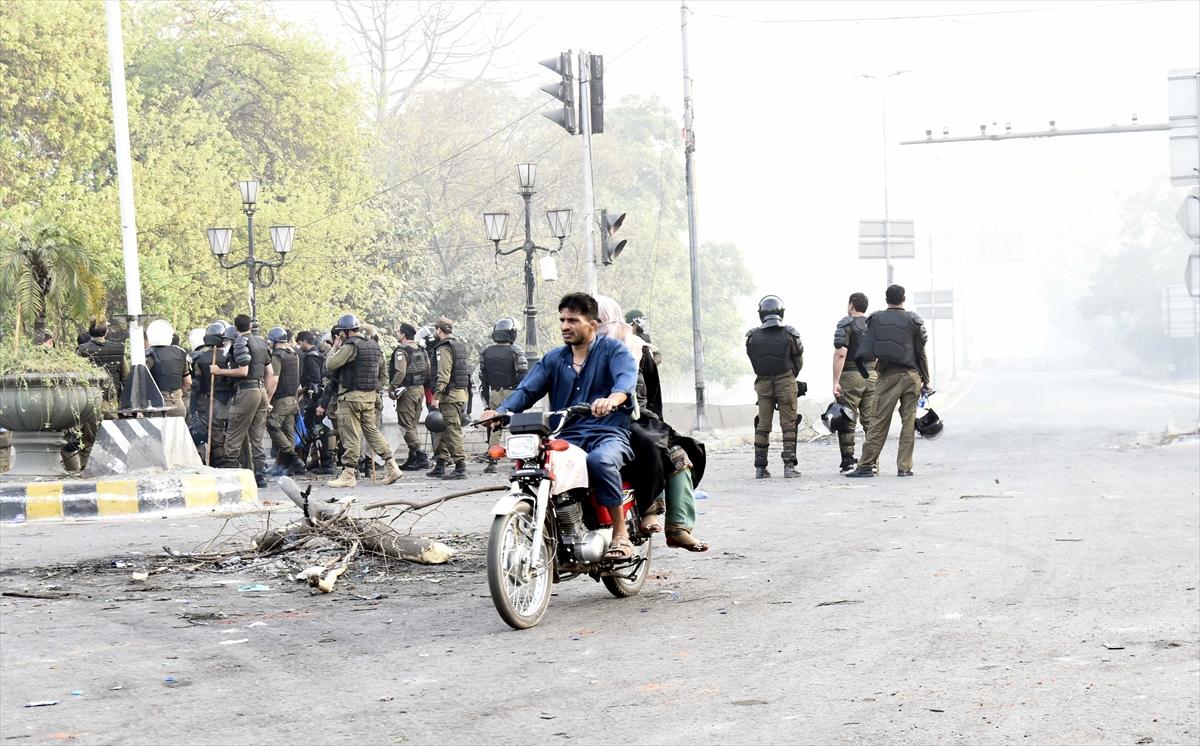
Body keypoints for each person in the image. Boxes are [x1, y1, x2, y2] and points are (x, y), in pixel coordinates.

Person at [482, 292, 639, 560]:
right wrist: (501, 412)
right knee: (537, 466)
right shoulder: (554, 359)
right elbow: (527, 390)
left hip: (609, 433)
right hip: (568, 435)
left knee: (600, 461)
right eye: (563, 320)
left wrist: (612, 399)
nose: (566, 326)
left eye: (573, 320)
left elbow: (625, 381)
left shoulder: (614, 351)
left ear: (593, 324)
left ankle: (620, 533)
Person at [598, 296, 708, 552]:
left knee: (677, 452)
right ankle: (649, 510)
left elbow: (652, 394)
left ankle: (677, 526)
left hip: (637, 416)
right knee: (650, 444)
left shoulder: (638, 349)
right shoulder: (581, 351)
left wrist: (656, 424)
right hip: (595, 421)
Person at [847, 284, 931, 479]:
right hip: (912, 377)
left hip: (888, 377)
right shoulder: (914, 320)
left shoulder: (875, 319)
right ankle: (904, 467)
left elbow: (864, 349)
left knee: (878, 421)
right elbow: (921, 353)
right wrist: (927, 380)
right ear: (904, 298)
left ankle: (866, 465)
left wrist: (864, 373)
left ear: (886, 299)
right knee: (908, 423)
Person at [321, 313, 402, 487]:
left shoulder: (350, 346)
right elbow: (381, 374)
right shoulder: (373, 345)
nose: (339, 335)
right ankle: (392, 466)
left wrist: (334, 347)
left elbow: (330, 365)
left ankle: (349, 473)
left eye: (341, 332)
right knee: (372, 432)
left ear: (347, 331)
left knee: (350, 434)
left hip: (350, 398)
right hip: (369, 397)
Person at [745, 295, 804, 479]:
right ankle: (789, 467)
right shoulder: (790, 333)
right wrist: (791, 376)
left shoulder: (752, 337)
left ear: (761, 313)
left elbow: (754, 360)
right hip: (785, 381)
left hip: (763, 383)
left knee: (763, 425)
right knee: (789, 424)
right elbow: (798, 359)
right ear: (781, 312)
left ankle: (760, 468)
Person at [211, 314, 274, 487]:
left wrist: (219, 371)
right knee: (257, 438)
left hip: (246, 391)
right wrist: (267, 397)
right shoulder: (261, 343)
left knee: (233, 433)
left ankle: (231, 476)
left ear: (236, 327)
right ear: (250, 325)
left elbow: (243, 371)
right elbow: (270, 372)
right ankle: (260, 477)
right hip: (261, 390)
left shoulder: (240, 342)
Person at [75, 319, 130, 470]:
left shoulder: (82, 350)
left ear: (89, 331)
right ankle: (115, 469)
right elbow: (126, 376)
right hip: (112, 403)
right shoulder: (119, 350)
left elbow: (76, 377)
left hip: (90, 403)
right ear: (106, 331)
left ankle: (86, 470)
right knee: (112, 439)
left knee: (89, 441)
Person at [831, 292, 876, 473]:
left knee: (847, 419)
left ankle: (848, 462)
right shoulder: (874, 325)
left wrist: (835, 381)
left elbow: (841, 354)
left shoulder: (846, 324)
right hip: (872, 375)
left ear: (851, 305)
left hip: (851, 374)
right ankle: (871, 462)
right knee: (871, 420)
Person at [478, 318, 529, 474]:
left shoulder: (485, 352)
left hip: (494, 393)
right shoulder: (516, 351)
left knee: (495, 426)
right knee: (518, 425)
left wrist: (487, 400)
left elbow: (483, 379)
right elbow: (523, 374)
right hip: (513, 393)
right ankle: (521, 460)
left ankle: (492, 461)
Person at [428, 317, 471, 479]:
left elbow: (444, 374)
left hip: (449, 396)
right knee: (441, 430)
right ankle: (441, 463)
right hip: (458, 393)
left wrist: (437, 396)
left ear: (439, 330)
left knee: (452, 431)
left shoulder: (444, 348)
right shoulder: (458, 345)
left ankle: (460, 467)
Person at [389, 323, 431, 471]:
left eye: (398, 332)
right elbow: (428, 369)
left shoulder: (402, 351)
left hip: (407, 391)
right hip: (420, 389)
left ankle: (421, 455)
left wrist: (392, 387)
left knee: (405, 425)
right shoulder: (421, 349)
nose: (397, 334)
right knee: (412, 425)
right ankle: (413, 457)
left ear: (403, 335)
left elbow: (400, 372)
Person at [265, 327, 304, 475]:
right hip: (292, 399)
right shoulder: (293, 355)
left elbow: (274, 380)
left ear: (273, 341)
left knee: (272, 424)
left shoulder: (277, 356)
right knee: (288, 434)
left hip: (281, 400)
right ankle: (285, 467)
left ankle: (293, 458)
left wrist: (267, 400)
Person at [296, 330, 336, 474]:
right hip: (318, 398)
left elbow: (315, 381)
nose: (299, 346)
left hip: (315, 400)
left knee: (316, 430)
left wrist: (312, 397)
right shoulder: (318, 355)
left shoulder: (310, 357)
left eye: (299, 343)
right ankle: (317, 462)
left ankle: (325, 463)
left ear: (304, 342)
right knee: (317, 430)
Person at [188, 321, 227, 460]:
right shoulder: (230, 356)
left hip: (210, 399)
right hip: (230, 399)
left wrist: (193, 408)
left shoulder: (200, 359)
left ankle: (218, 461)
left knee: (215, 433)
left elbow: (196, 384)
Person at [145, 319, 190, 418]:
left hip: (155, 407)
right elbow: (188, 382)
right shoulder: (181, 353)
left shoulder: (147, 355)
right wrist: (178, 395)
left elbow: (140, 384)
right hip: (177, 404)